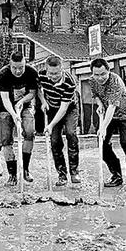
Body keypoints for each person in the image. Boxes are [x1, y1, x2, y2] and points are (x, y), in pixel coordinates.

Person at [89, 57, 126, 188]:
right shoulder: (92, 80)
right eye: (97, 75)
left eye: (103, 74)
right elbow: (95, 95)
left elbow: (112, 106)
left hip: (125, 113)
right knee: (102, 144)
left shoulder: (115, 81)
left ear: (108, 71)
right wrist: (99, 104)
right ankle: (116, 175)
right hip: (108, 114)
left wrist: (103, 127)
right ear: (93, 73)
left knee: (125, 142)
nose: (100, 78)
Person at [0, 51, 39, 186]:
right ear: (10, 65)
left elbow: (32, 93)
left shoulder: (31, 72)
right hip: (6, 108)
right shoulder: (3, 74)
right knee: (5, 139)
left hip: (25, 105)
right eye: (14, 68)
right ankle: (12, 174)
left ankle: (25, 169)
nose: (18, 71)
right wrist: (14, 114)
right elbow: (4, 98)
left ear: (25, 63)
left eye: (21, 67)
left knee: (29, 132)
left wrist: (21, 101)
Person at [39, 56, 81, 186]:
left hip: (69, 109)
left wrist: (50, 125)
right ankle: (62, 174)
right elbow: (37, 88)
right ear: (46, 70)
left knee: (70, 133)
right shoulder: (41, 75)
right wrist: (43, 101)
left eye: (56, 73)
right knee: (55, 141)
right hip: (51, 107)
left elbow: (63, 109)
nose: (53, 76)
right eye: (50, 73)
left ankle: (74, 172)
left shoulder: (70, 82)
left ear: (62, 69)